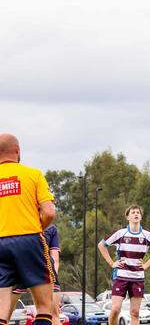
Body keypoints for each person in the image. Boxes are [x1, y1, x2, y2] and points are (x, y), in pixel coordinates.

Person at [0, 133, 56, 325]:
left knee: (1, 309)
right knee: (43, 306)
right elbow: (48, 212)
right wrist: (36, 226)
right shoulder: (33, 174)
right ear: (17, 150)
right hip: (29, 239)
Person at [98, 205, 150, 325]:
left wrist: (146, 265)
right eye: (133, 212)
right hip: (121, 276)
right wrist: (112, 263)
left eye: (138, 212)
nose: (136, 214)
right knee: (116, 309)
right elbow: (101, 245)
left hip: (138, 278)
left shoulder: (147, 235)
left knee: (135, 312)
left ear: (141, 217)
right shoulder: (121, 233)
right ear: (127, 217)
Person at [7, 225, 62, 325]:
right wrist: (51, 282)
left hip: (17, 263)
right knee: (52, 315)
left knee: (5, 314)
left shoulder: (16, 222)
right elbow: (55, 260)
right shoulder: (50, 228)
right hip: (43, 266)